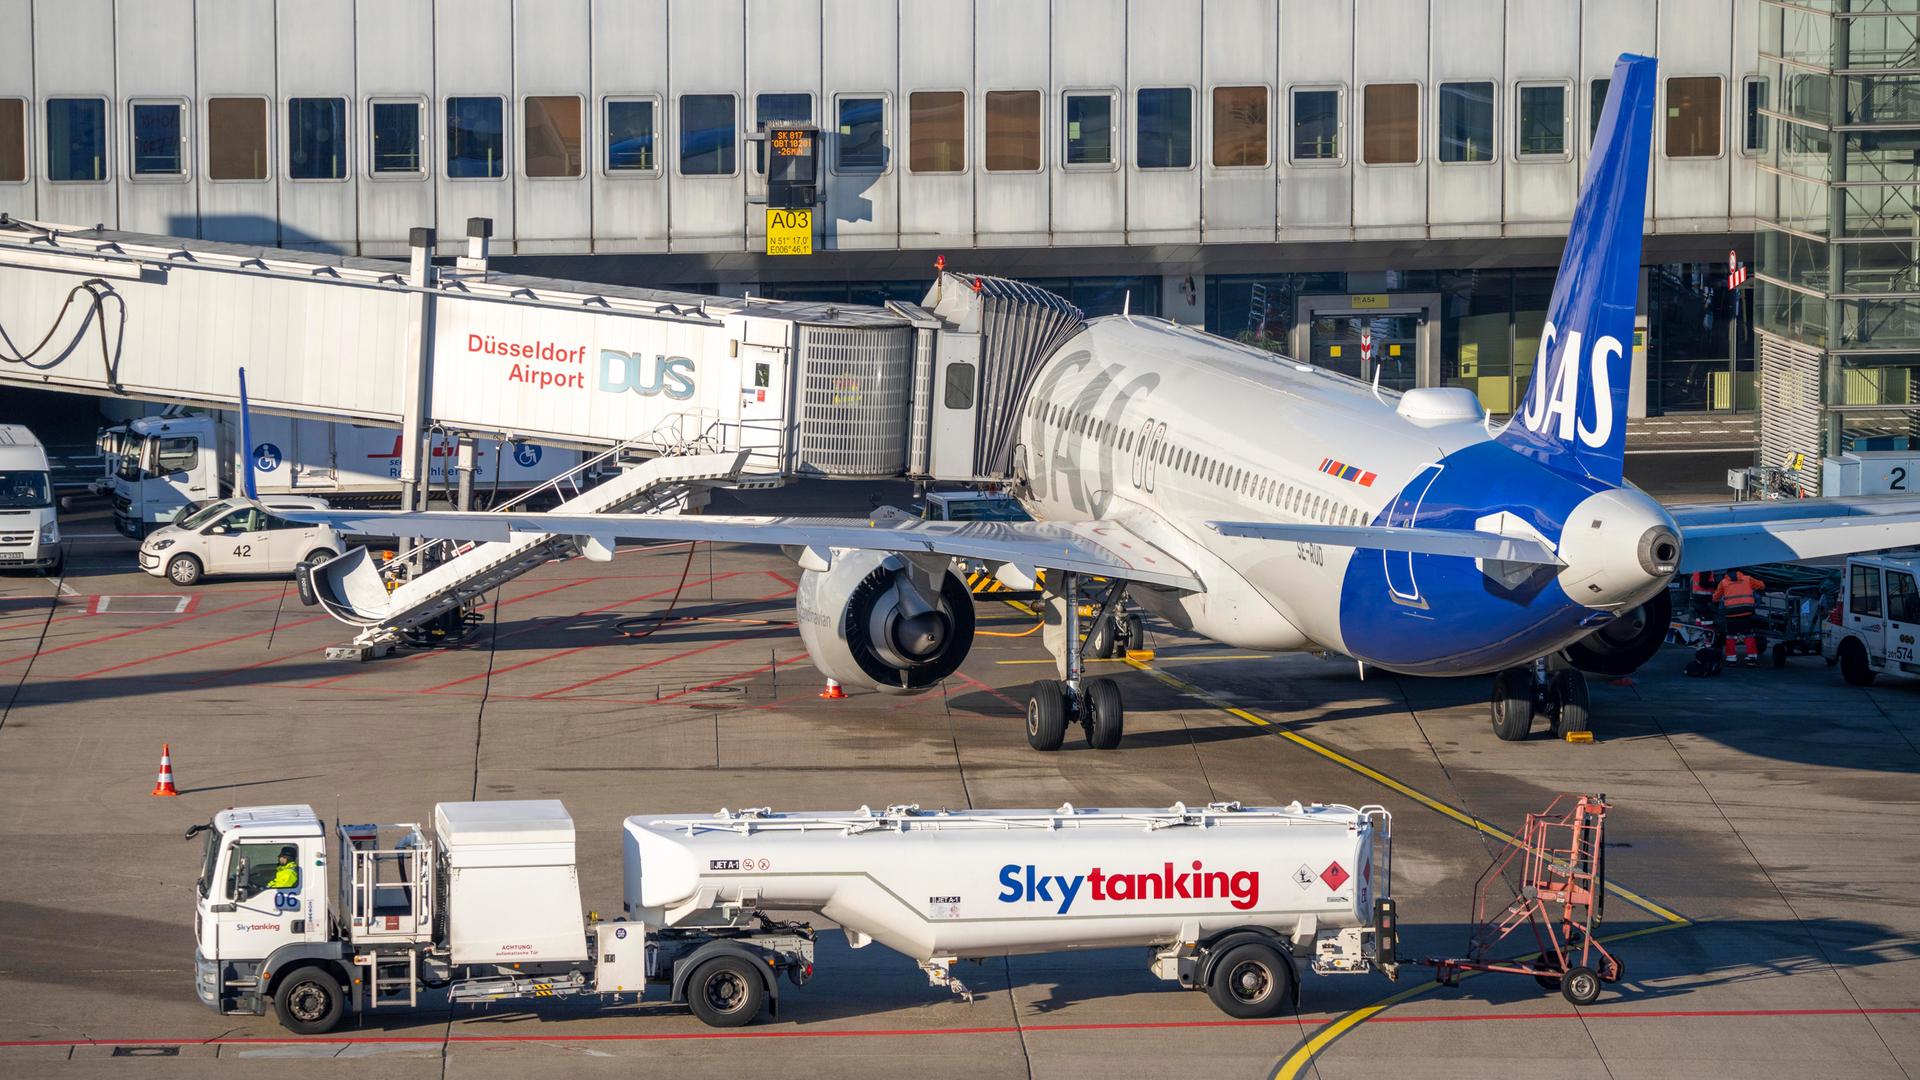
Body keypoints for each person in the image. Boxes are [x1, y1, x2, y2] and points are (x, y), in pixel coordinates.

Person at [1713, 569, 1767, 665]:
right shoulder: (1747, 579)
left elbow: (1715, 597)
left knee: (1730, 636)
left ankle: (1731, 659)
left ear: (1727, 574)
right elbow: (1762, 586)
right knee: (1748, 635)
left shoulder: (1723, 582)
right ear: (1740, 572)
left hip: (1731, 613)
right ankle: (1751, 658)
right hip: (1746, 612)